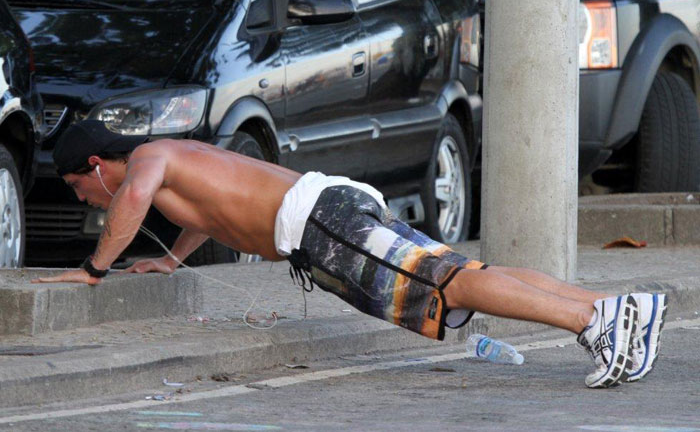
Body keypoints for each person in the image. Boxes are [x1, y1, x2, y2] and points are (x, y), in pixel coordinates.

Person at [32, 120, 667, 389]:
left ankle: (593, 324)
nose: (87, 198)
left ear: (93, 165)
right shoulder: (173, 160)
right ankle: (617, 311)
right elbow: (213, 215)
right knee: (463, 274)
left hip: (320, 222)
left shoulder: (145, 162)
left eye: (78, 187)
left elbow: (130, 203)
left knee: (451, 286)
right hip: (326, 211)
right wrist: (171, 261)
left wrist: (93, 271)